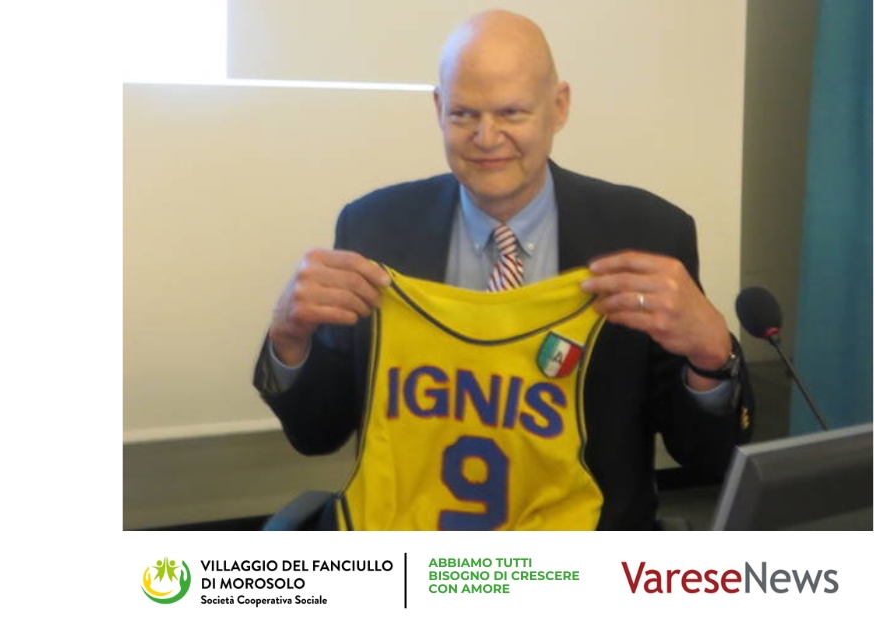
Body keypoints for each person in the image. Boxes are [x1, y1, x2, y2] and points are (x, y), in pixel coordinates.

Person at [254, 9, 753, 530]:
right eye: (463, 114)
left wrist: (711, 357)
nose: (486, 137)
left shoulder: (648, 236)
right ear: (438, 108)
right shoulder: (374, 231)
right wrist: (288, 339)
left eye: (511, 113)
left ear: (559, 107)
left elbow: (706, 457)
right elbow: (318, 433)